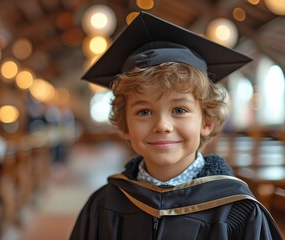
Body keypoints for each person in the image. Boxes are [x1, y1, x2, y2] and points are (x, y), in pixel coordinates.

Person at [70, 12, 283, 239]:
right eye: (144, 111)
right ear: (125, 126)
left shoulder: (239, 210)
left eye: (179, 110)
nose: (162, 125)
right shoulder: (103, 205)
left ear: (207, 121)